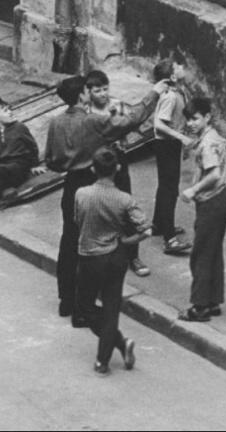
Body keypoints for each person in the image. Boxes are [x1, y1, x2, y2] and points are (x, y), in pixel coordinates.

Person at [45, 74, 168, 321]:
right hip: (91, 183)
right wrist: (154, 93)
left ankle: (66, 300)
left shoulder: (56, 123)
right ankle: (84, 306)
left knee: (69, 240)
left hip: (71, 184)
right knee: (91, 245)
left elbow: (51, 160)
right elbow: (131, 120)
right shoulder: (93, 121)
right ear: (82, 95)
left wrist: (70, 162)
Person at [74, 146, 151, 375]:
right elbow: (146, 229)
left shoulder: (81, 194)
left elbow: (77, 220)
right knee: (111, 308)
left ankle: (116, 346)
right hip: (115, 255)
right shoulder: (124, 199)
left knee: (86, 307)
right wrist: (127, 241)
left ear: (92, 169)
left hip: (88, 256)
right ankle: (105, 358)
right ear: (117, 168)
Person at [85, 69, 150, 278]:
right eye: (97, 91)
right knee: (99, 206)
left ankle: (133, 257)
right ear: (88, 92)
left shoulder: (118, 105)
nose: (103, 94)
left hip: (118, 159)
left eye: (105, 89)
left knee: (125, 205)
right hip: (96, 162)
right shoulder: (86, 112)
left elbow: (133, 125)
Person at [179, 98, 226, 322]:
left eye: (195, 119)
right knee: (213, 252)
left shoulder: (206, 144)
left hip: (211, 201)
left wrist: (192, 190)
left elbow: (214, 174)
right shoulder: (213, 137)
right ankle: (213, 301)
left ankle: (200, 307)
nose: (190, 123)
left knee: (201, 254)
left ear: (207, 117)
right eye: (188, 119)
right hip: (221, 198)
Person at [152, 56, 193, 255]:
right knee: (170, 190)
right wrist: (181, 138)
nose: (181, 66)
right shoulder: (170, 96)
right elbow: (158, 124)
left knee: (166, 187)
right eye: (177, 66)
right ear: (172, 77)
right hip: (166, 145)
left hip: (172, 144)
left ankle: (159, 224)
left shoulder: (179, 91)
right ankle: (169, 239)